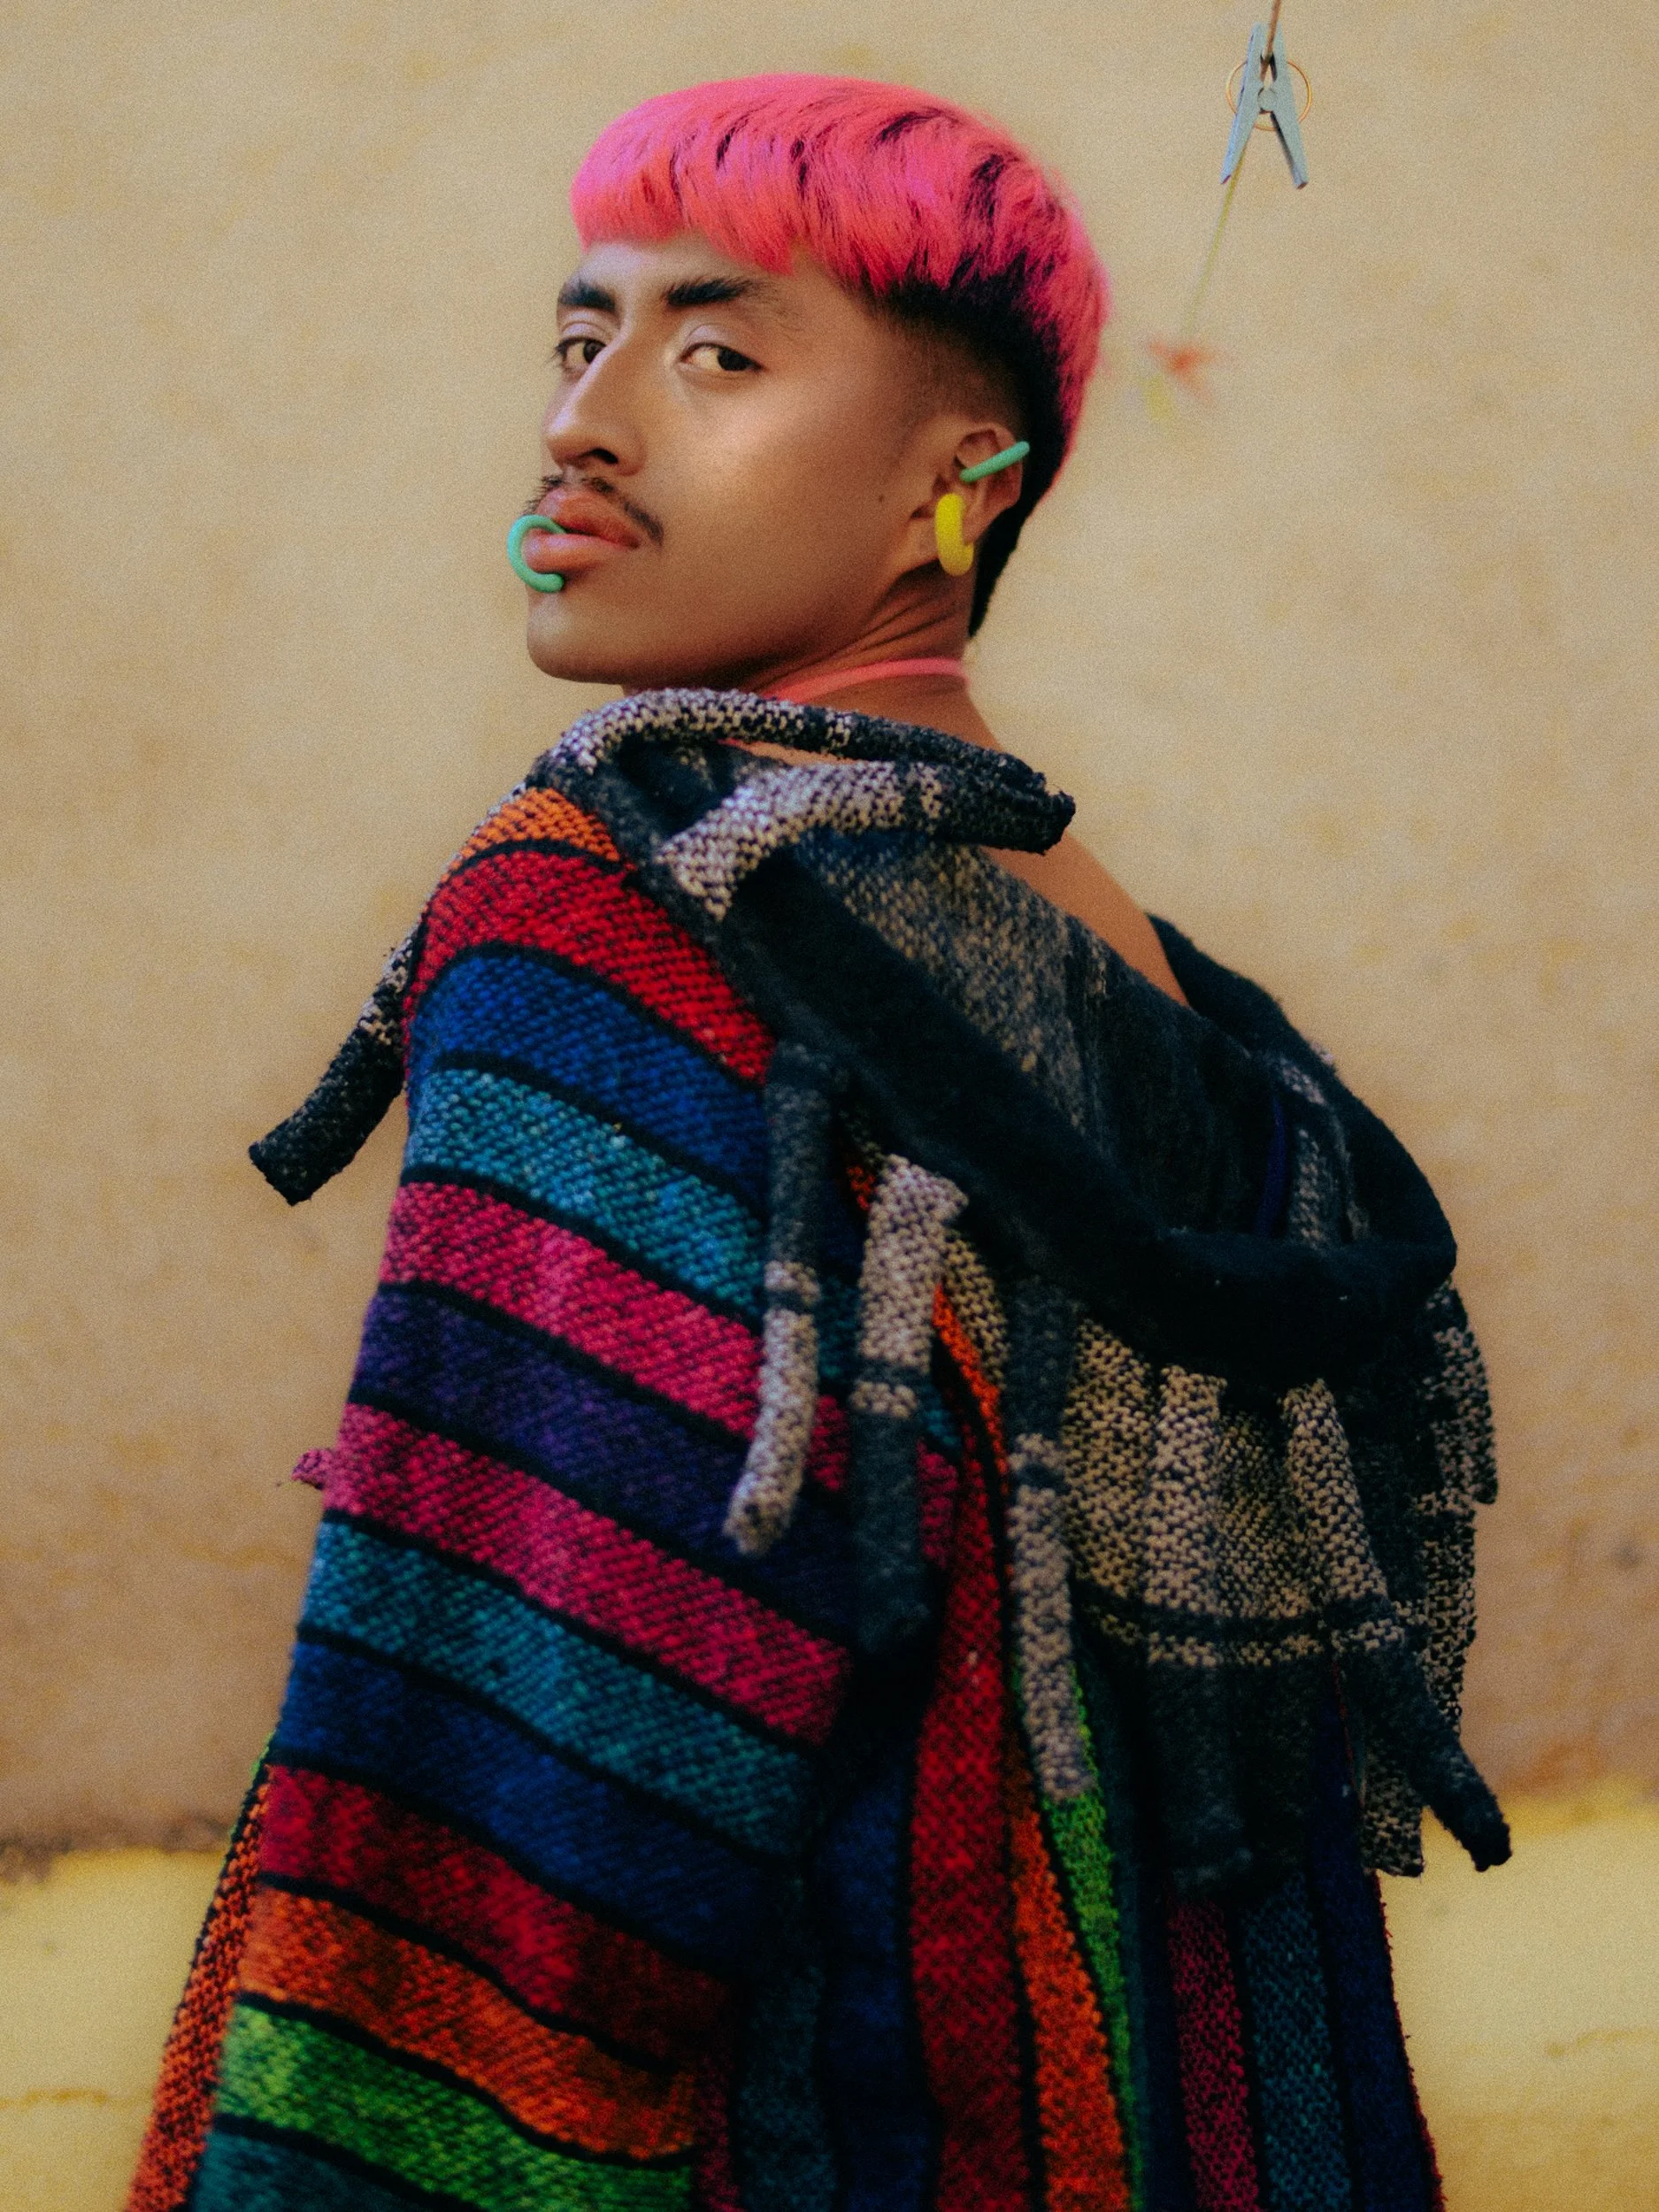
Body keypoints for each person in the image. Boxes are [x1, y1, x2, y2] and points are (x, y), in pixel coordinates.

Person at [128, 75, 1507, 2212]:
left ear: (961, 484)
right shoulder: (1163, 1002)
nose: (582, 423)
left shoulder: (614, 902)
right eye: (576, 336)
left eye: (717, 352)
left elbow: (534, 1749)